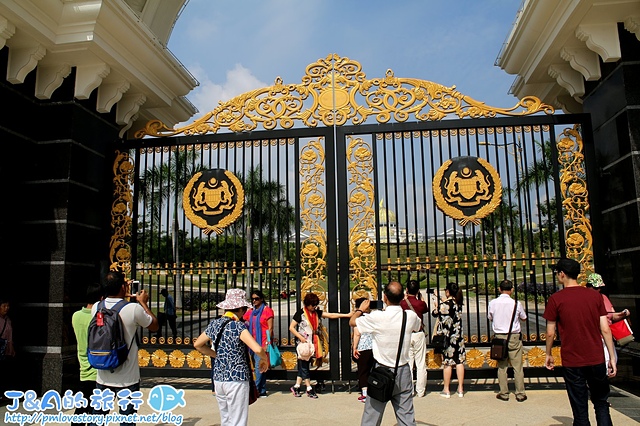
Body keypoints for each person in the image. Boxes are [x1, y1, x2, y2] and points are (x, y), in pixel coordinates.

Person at [544, 258, 616, 426]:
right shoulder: (594, 296)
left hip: (573, 360)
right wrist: (611, 356)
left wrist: (548, 354)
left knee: (580, 407)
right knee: (601, 403)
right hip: (596, 357)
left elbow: (550, 332)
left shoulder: (556, 299)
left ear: (562, 274)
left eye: (557, 273)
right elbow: (605, 329)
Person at [90, 271, 158, 426]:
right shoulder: (133, 309)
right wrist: (143, 303)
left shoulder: (96, 307)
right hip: (127, 378)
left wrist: (123, 294)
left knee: (98, 418)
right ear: (122, 286)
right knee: (127, 420)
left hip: (103, 374)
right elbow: (154, 325)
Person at [350, 281, 421, 426]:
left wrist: (361, 310)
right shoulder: (409, 316)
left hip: (381, 371)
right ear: (402, 297)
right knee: (406, 416)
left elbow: (352, 322)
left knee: (372, 416)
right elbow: (418, 326)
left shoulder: (377, 317)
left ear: (384, 297)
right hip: (403, 370)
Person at [194, 289, 268, 426]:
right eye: (244, 309)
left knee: (226, 419)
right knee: (238, 420)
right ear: (239, 308)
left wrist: (216, 355)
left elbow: (198, 344)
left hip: (219, 378)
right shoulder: (238, 326)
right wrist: (265, 359)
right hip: (237, 378)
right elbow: (257, 349)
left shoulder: (215, 324)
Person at [289, 292, 352, 398]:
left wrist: (346, 315)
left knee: (304, 365)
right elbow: (291, 327)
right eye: (312, 305)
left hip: (312, 343)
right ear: (307, 304)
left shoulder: (317, 313)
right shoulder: (300, 313)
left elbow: (331, 315)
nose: (314, 307)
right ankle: (309, 388)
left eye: (315, 305)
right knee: (304, 366)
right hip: (302, 344)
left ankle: (296, 386)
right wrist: (300, 338)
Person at [487, 279, 528, 402]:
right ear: (511, 290)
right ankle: (520, 393)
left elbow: (490, 317)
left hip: (499, 336)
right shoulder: (516, 303)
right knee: (517, 366)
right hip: (514, 336)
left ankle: (504, 392)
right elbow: (524, 318)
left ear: (499, 289)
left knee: (502, 366)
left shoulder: (493, 303)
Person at [71, 283, 103, 426]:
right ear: (101, 298)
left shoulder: (76, 316)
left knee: (82, 407)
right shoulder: (98, 318)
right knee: (97, 411)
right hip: (98, 370)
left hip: (83, 368)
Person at [586, 273, 631, 364]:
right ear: (588, 287)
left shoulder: (604, 297)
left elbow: (612, 315)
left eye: (599, 288)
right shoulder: (585, 300)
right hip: (593, 338)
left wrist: (623, 314)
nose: (598, 290)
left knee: (609, 362)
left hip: (607, 337)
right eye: (595, 288)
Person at [431, 281, 466, 398]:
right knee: (459, 362)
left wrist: (436, 305)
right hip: (458, 337)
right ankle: (460, 388)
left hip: (448, 338)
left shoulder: (445, 305)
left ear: (447, 291)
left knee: (447, 363)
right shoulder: (458, 303)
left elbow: (436, 314)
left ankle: (446, 389)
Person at [242, 290, 274, 398]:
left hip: (262, 342)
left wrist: (267, 343)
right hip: (251, 342)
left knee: (258, 367)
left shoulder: (267, 311)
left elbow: (270, 328)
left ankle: (254, 391)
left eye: (256, 299)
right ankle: (262, 390)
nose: (254, 301)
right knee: (261, 367)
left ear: (261, 299)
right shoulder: (251, 311)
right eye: (253, 299)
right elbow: (242, 319)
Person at [399, 279, 428, 397]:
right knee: (420, 363)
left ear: (406, 290)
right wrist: (421, 299)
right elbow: (425, 310)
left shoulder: (402, 303)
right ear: (418, 291)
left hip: (407, 334)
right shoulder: (420, 303)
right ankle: (420, 390)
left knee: (408, 363)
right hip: (418, 333)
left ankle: (409, 390)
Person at [352, 297, 374, 403]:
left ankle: (365, 393)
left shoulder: (358, 319)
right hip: (374, 347)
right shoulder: (373, 317)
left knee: (363, 371)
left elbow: (357, 334)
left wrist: (354, 347)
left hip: (363, 347)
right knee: (372, 370)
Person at [0, 296, 15, 403]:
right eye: (4, 306)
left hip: (6, 351)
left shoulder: (8, 320)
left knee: (4, 373)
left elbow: (10, 337)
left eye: (8, 306)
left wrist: (12, 349)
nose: (6, 308)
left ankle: (3, 394)